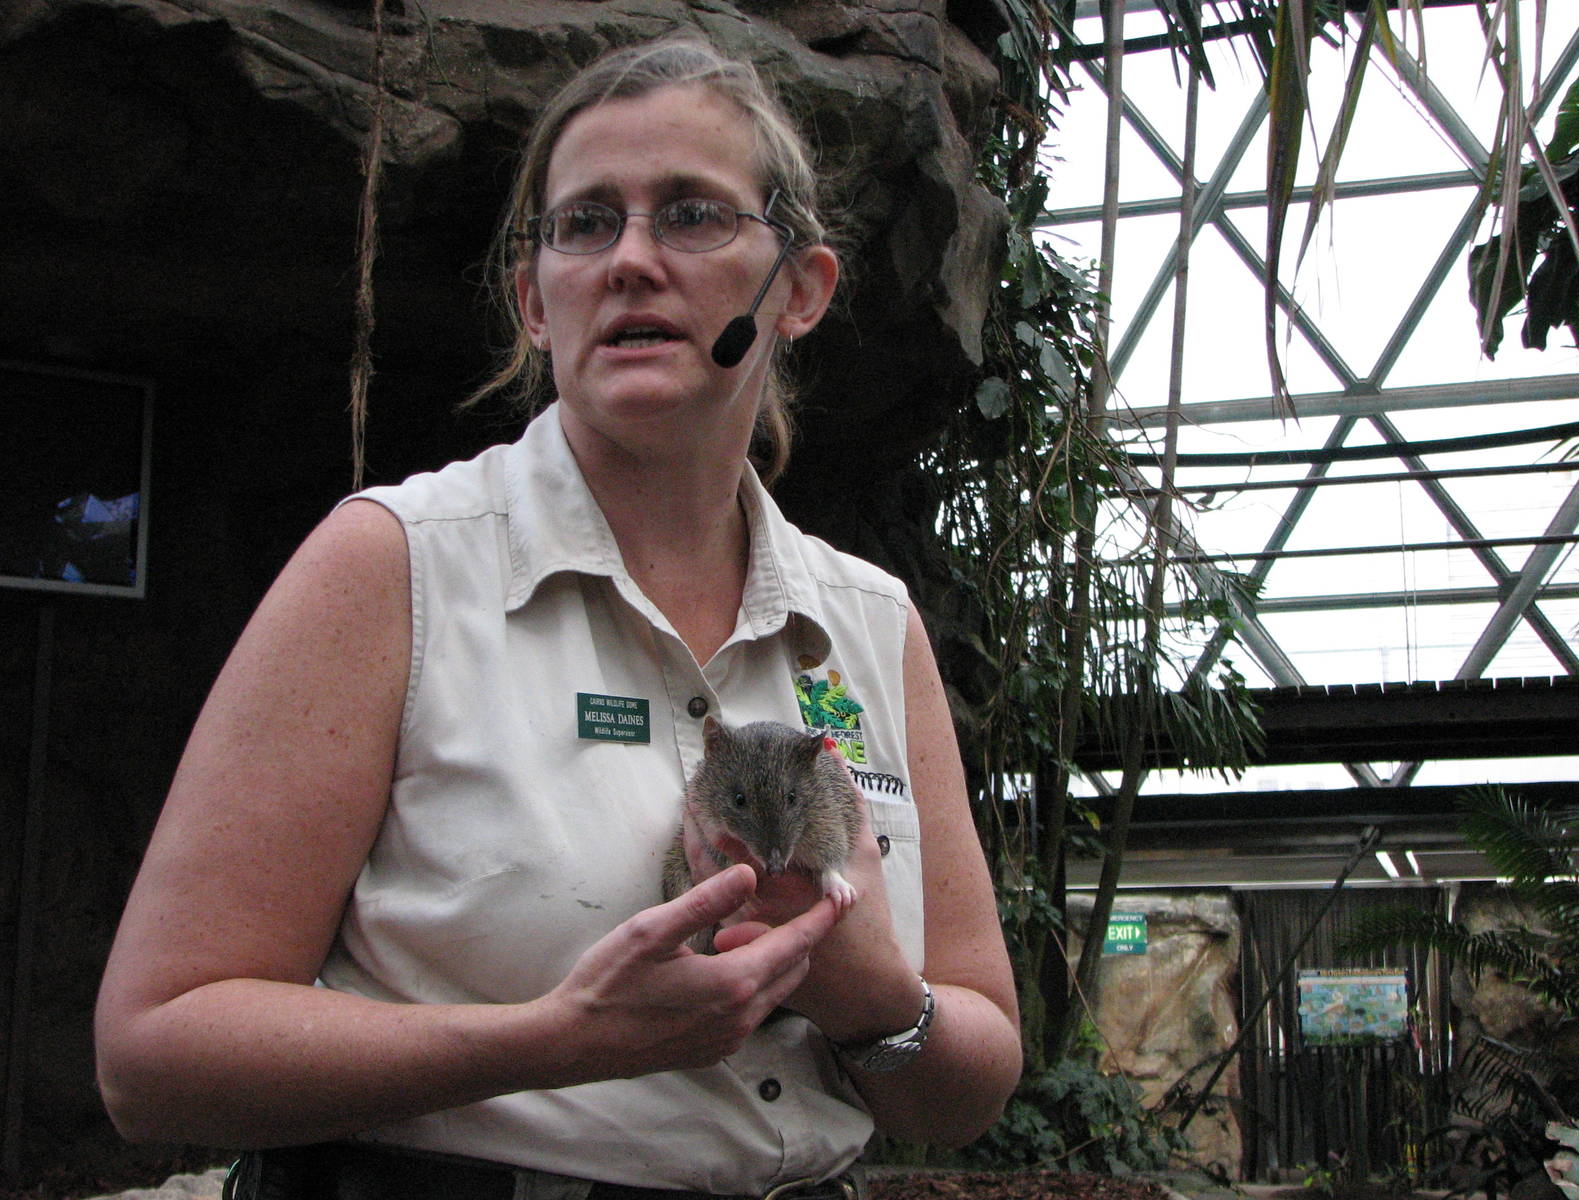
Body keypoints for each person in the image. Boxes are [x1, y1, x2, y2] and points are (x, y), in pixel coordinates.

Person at [94, 36, 1021, 1200]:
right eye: (585, 223)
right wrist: (557, 1039)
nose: (632, 259)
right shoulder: (394, 564)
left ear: (799, 291)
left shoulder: (869, 624)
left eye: (691, 214)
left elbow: (976, 1074)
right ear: (536, 303)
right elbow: (153, 1057)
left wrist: (872, 996)